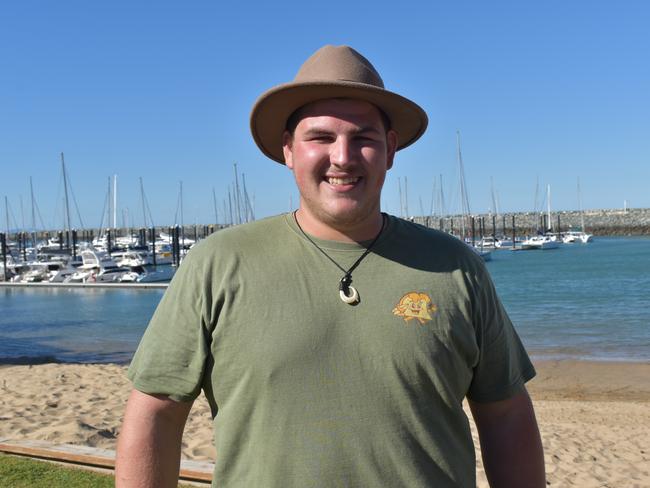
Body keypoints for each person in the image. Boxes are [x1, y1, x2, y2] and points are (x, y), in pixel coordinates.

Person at [116, 45, 545, 487]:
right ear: (288, 149)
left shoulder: (456, 267)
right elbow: (155, 413)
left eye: (363, 137)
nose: (343, 157)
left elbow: (506, 414)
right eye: (321, 138)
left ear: (391, 149)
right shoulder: (218, 263)